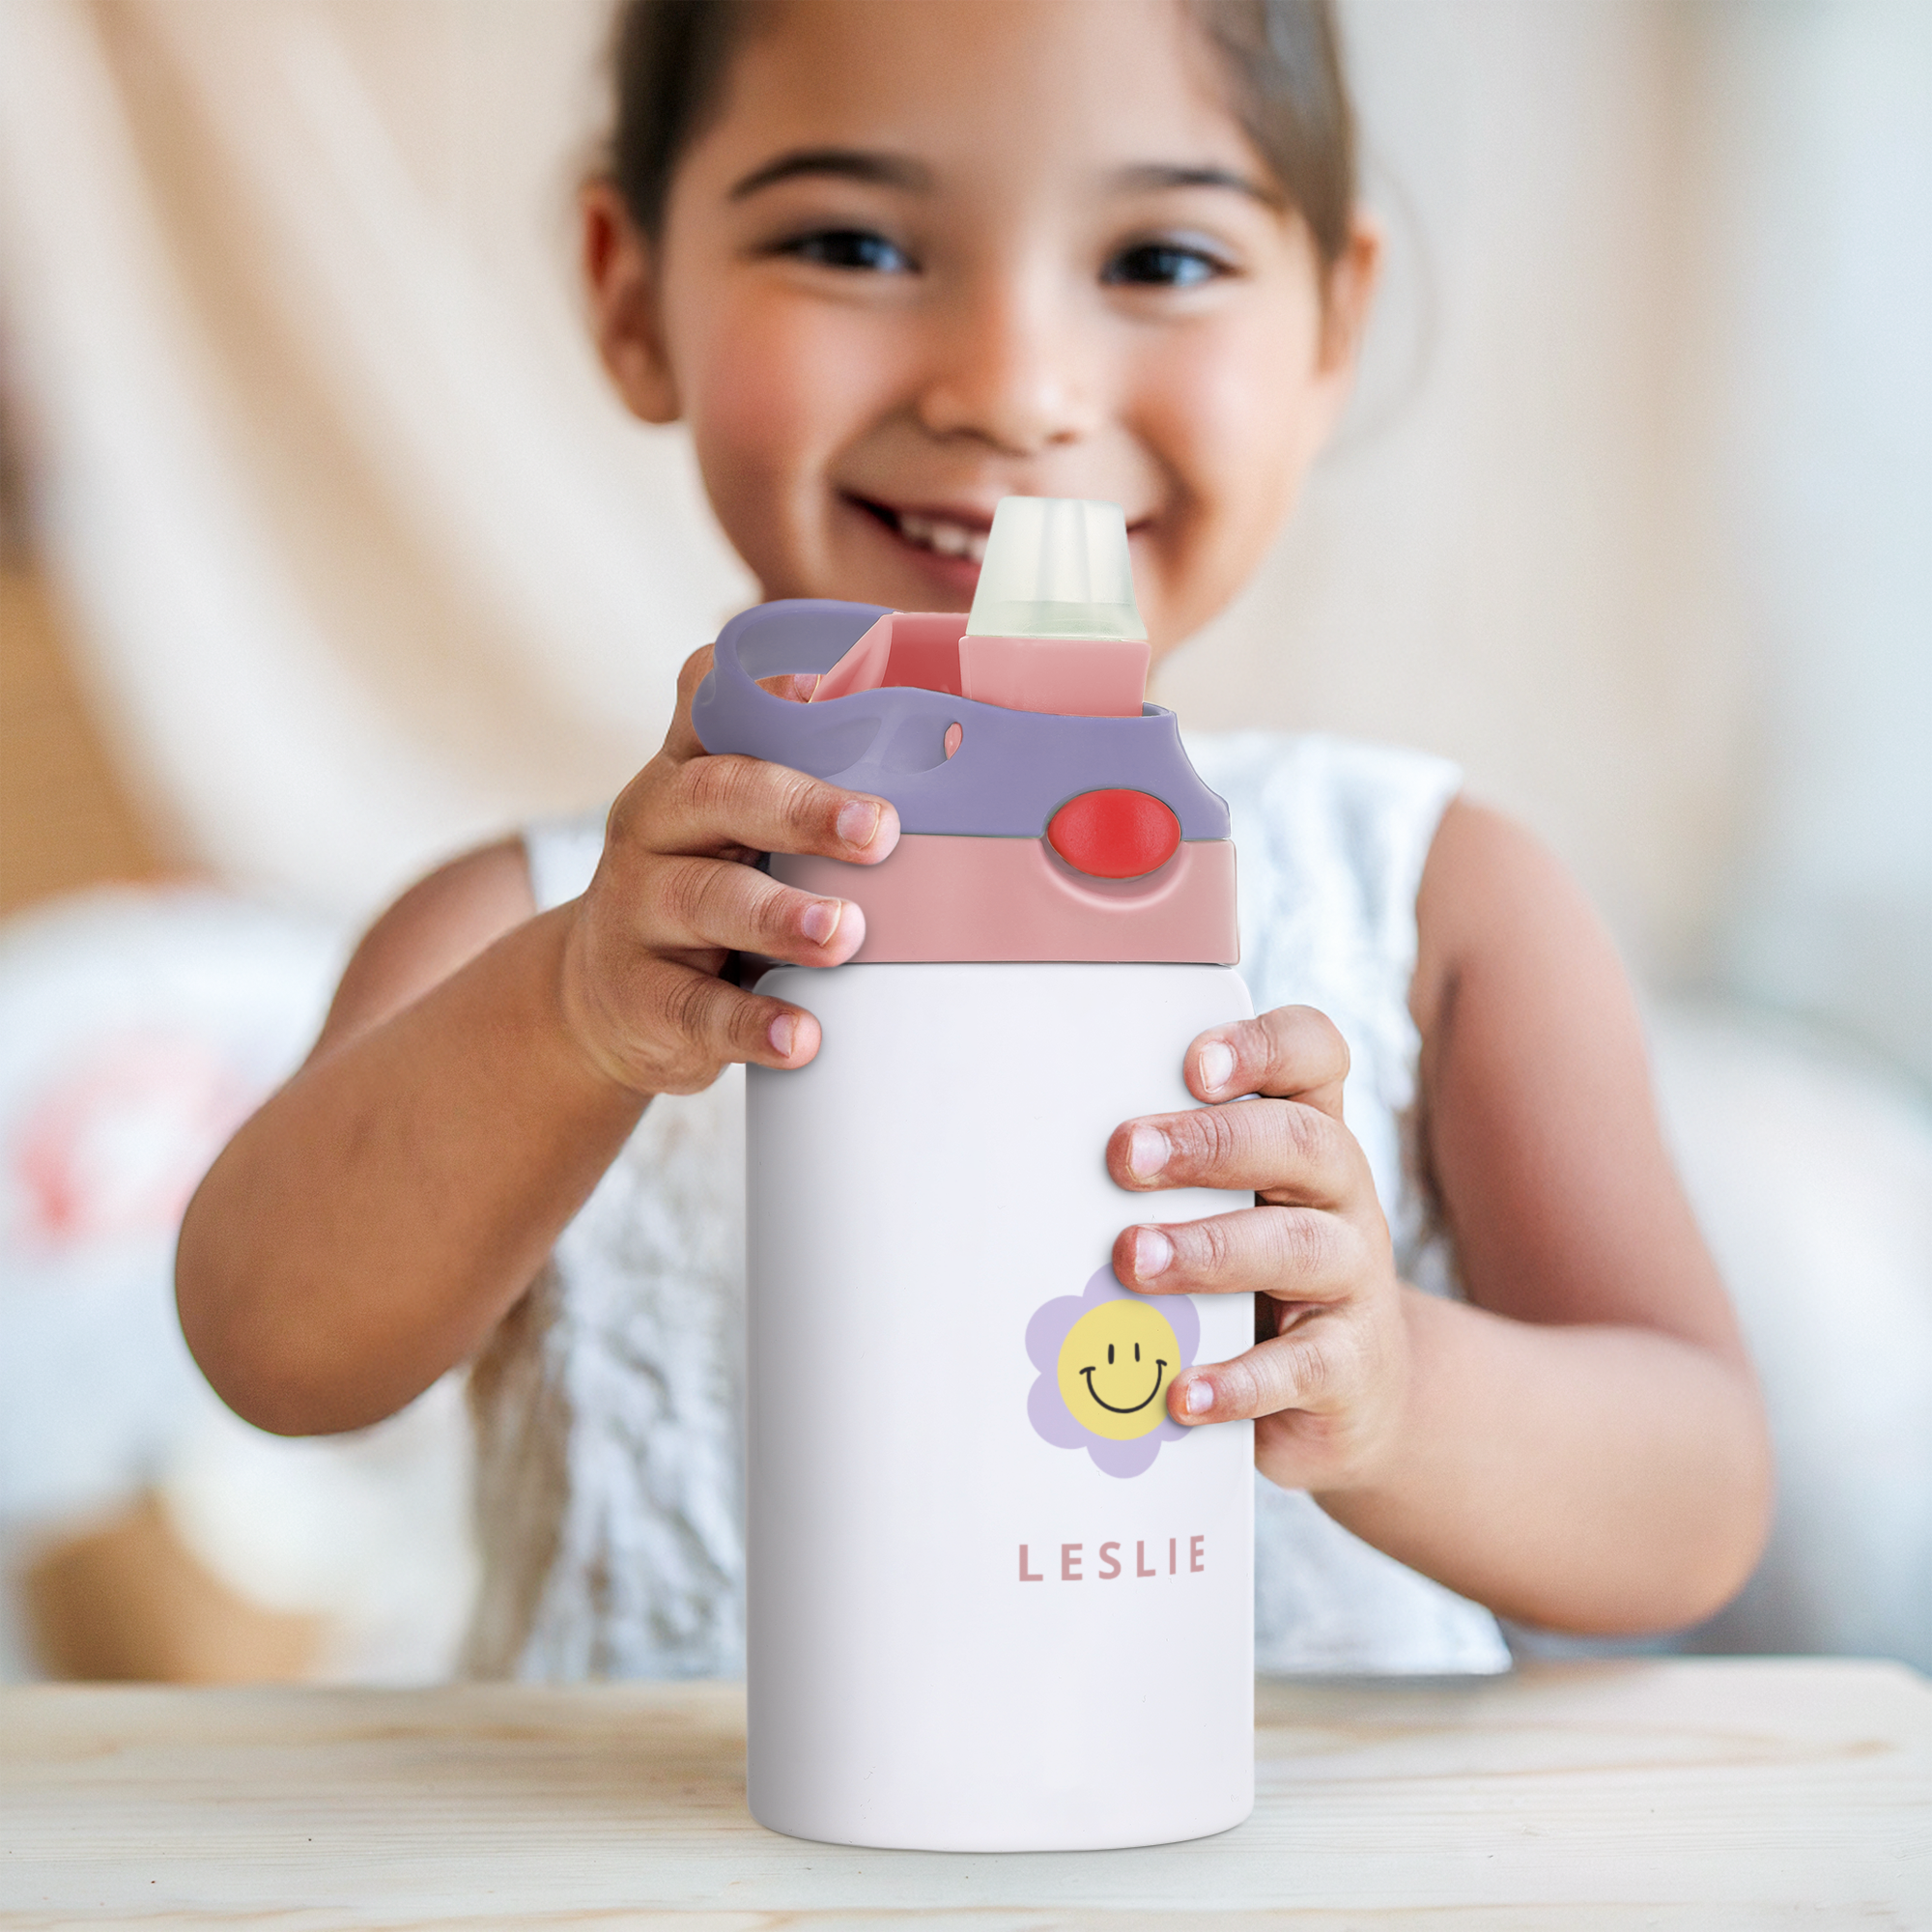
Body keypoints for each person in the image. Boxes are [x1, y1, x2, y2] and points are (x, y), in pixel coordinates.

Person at [177, 0, 1772, 1678]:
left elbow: (1697, 1503)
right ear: (633, 291)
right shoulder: (554, 927)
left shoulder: (1435, 899)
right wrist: (569, 1016)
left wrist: (1395, 1389)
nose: (1016, 390)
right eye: (856, 241)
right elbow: (268, 1349)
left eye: (1159, 259)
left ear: (1331, 328)